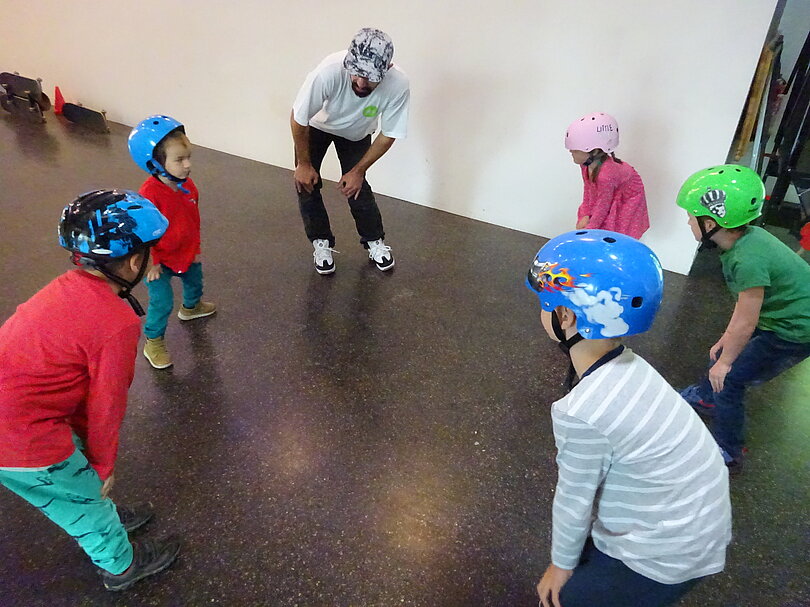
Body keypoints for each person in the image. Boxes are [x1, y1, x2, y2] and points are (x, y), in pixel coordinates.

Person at [527, 230, 730, 607]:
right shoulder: (631, 366)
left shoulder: (582, 412)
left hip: (664, 555)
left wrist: (560, 565)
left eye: (544, 302)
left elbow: (574, 500)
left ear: (565, 315)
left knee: (560, 599)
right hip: (699, 529)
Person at [0, 190, 180, 591]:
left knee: (72, 487)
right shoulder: (115, 323)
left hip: (13, 418)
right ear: (134, 262)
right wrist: (102, 467)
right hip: (22, 438)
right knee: (83, 501)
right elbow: (105, 406)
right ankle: (121, 565)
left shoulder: (67, 288)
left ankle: (98, 508)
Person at [677, 164, 810, 472]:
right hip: (781, 314)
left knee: (730, 379)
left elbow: (747, 321)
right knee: (723, 352)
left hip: (795, 329)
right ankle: (706, 397)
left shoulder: (746, 259)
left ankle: (728, 449)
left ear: (710, 223)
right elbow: (743, 312)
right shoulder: (748, 239)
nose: (688, 221)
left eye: (691, 216)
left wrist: (726, 363)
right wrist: (727, 341)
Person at [291, 27, 410, 274]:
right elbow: (299, 119)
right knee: (306, 184)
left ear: (386, 69)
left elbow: (389, 134)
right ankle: (321, 242)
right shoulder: (328, 72)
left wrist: (358, 171)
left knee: (359, 188)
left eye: (370, 77)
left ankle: (374, 241)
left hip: (357, 132)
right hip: (318, 127)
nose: (361, 83)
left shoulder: (398, 84)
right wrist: (303, 164)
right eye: (357, 73)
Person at [128, 115, 217, 369]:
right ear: (154, 163)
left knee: (195, 281)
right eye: (179, 160)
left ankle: (191, 307)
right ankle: (153, 341)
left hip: (184, 251)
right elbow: (143, 234)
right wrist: (151, 263)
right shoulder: (148, 195)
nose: (188, 165)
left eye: (188, 157)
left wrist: (195, 248)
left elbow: (193, 220)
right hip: (156, 261)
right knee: (162, 302)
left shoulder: (188, 186)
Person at [565, 112, 649, 239]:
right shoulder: (585, 164)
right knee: (595, 222)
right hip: (608, 192)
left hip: (628, 199)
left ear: (594, 151)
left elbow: (602, 206)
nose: (571, 151)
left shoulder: (606, 175)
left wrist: (589, 231)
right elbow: (588, 190)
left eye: (575, 150)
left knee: (615, 234)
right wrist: (585, 215)